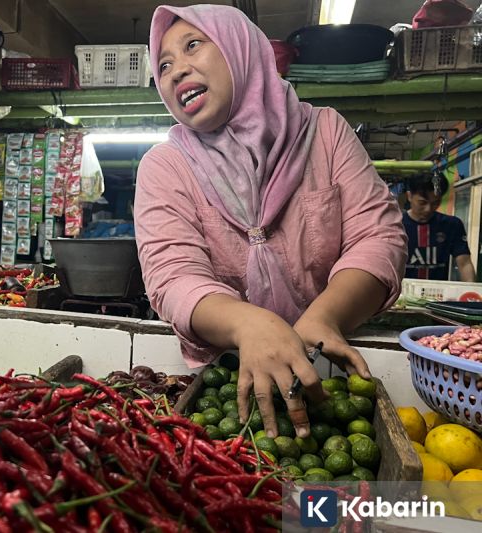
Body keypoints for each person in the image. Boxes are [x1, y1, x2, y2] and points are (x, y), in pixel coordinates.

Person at [134, 4, 408, 439]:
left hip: (335, 371)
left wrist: (326, 317)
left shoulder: (325, 133)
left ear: (239, 50)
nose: (176, 70)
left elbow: (378, 238)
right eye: (163, 65)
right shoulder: (165, 166)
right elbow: (173, 275)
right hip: (229, 384)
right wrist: (247, 324)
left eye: (193, 45)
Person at [403, 172, 476, 282]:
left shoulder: (452, 225)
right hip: (402, 289)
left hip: (439, 290)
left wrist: (471, 290)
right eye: (422, 202)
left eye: (435, 203)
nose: (428, 209)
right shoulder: (395, 225)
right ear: (409, 196)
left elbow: (464, 263)